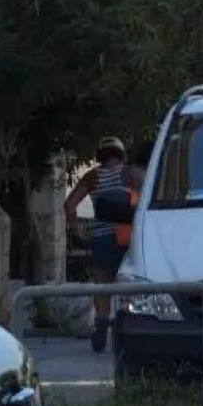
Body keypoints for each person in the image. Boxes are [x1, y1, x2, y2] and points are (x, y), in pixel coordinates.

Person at [64, 136, 143, 353]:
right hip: (128, 237)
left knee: (102, 288)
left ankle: (101, 326)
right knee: (131, 285)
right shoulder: (131, 174)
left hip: (101, 239)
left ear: (100, 155)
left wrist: (78, 232)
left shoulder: (93, 176)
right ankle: (129, 328)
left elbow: (69, 205)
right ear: (121, 154)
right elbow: (144, 202)